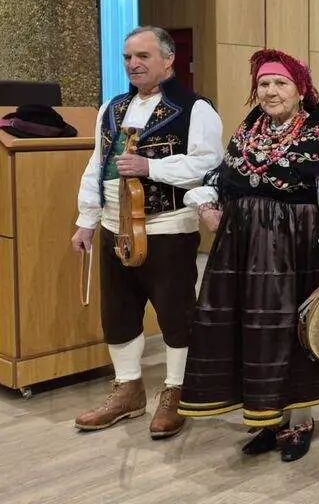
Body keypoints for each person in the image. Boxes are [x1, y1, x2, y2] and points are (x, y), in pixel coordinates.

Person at [177, 49, 319, 462]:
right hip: (244, 246)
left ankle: (299, 421)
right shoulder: (249, 129)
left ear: (301, 90)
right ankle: (267, 418)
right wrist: (208, 202)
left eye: (280, 83)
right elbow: (224, 176)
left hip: (295, 245)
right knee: (252, 328)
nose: (270, 91)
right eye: (263, 84)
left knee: (290, 332)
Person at [71, 26, 223, 439]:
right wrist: (87, 219)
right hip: (112, 225)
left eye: (143, 56)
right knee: (118, 310)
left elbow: (208, 164)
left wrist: (151, 168)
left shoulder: (196, 108)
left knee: (175, 312)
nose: (133, 65)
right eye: (127, 58)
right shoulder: (112, 108)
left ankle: (176, 390)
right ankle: (128, 389)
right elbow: (96, 165)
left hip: (167, 226)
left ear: (168, 59)